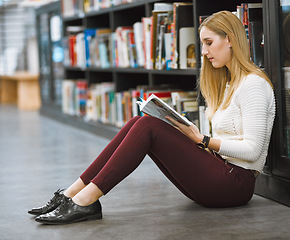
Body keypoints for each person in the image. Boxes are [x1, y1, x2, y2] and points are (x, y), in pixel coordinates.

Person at [29, 11, 276, 225]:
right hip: (220, 170)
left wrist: (201, 140)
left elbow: (253, 151)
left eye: (209, 42)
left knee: (148, 126)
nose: (204, 51)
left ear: (230, 40)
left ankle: (85, 201)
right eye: (202, 44)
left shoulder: (253, 84)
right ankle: (73, 194)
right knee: (139, 122)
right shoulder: (229, 83)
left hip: (235, 185)